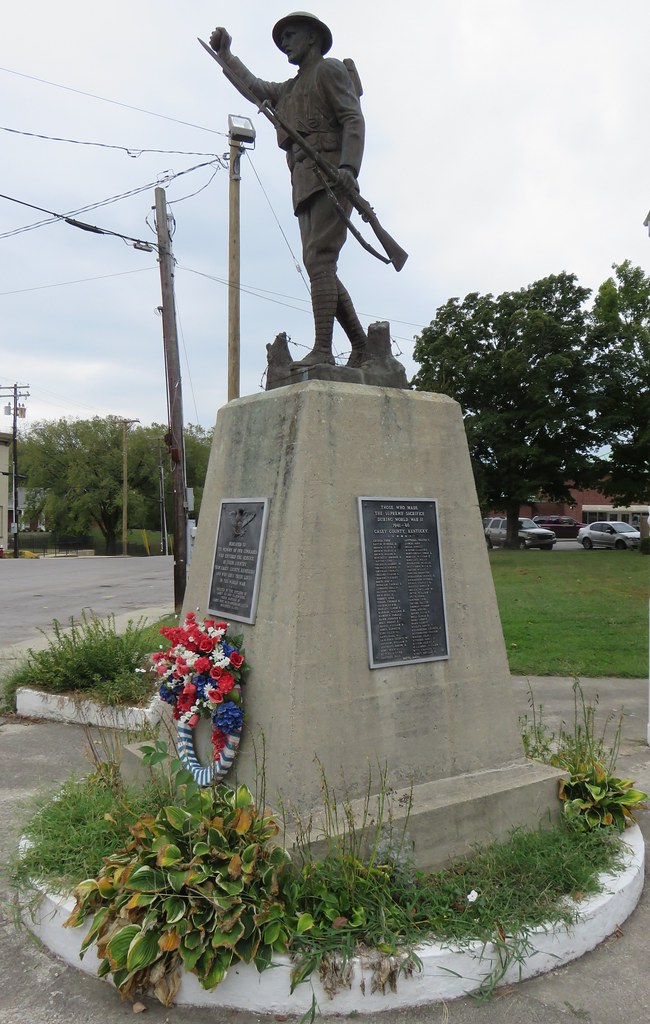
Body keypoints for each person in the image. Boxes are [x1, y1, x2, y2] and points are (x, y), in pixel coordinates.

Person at [209, 12, 369, 368]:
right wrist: (227, 56)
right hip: (304, 181)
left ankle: (324, 350)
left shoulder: (328, 71)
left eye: (291, 35)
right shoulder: (291, 87)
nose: (285, 42)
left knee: (318, 261)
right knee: (319, 265)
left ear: (312, 38)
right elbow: (256, 88)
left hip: (330, 174)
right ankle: (360, 345)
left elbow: (352, 118)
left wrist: (348, 168)